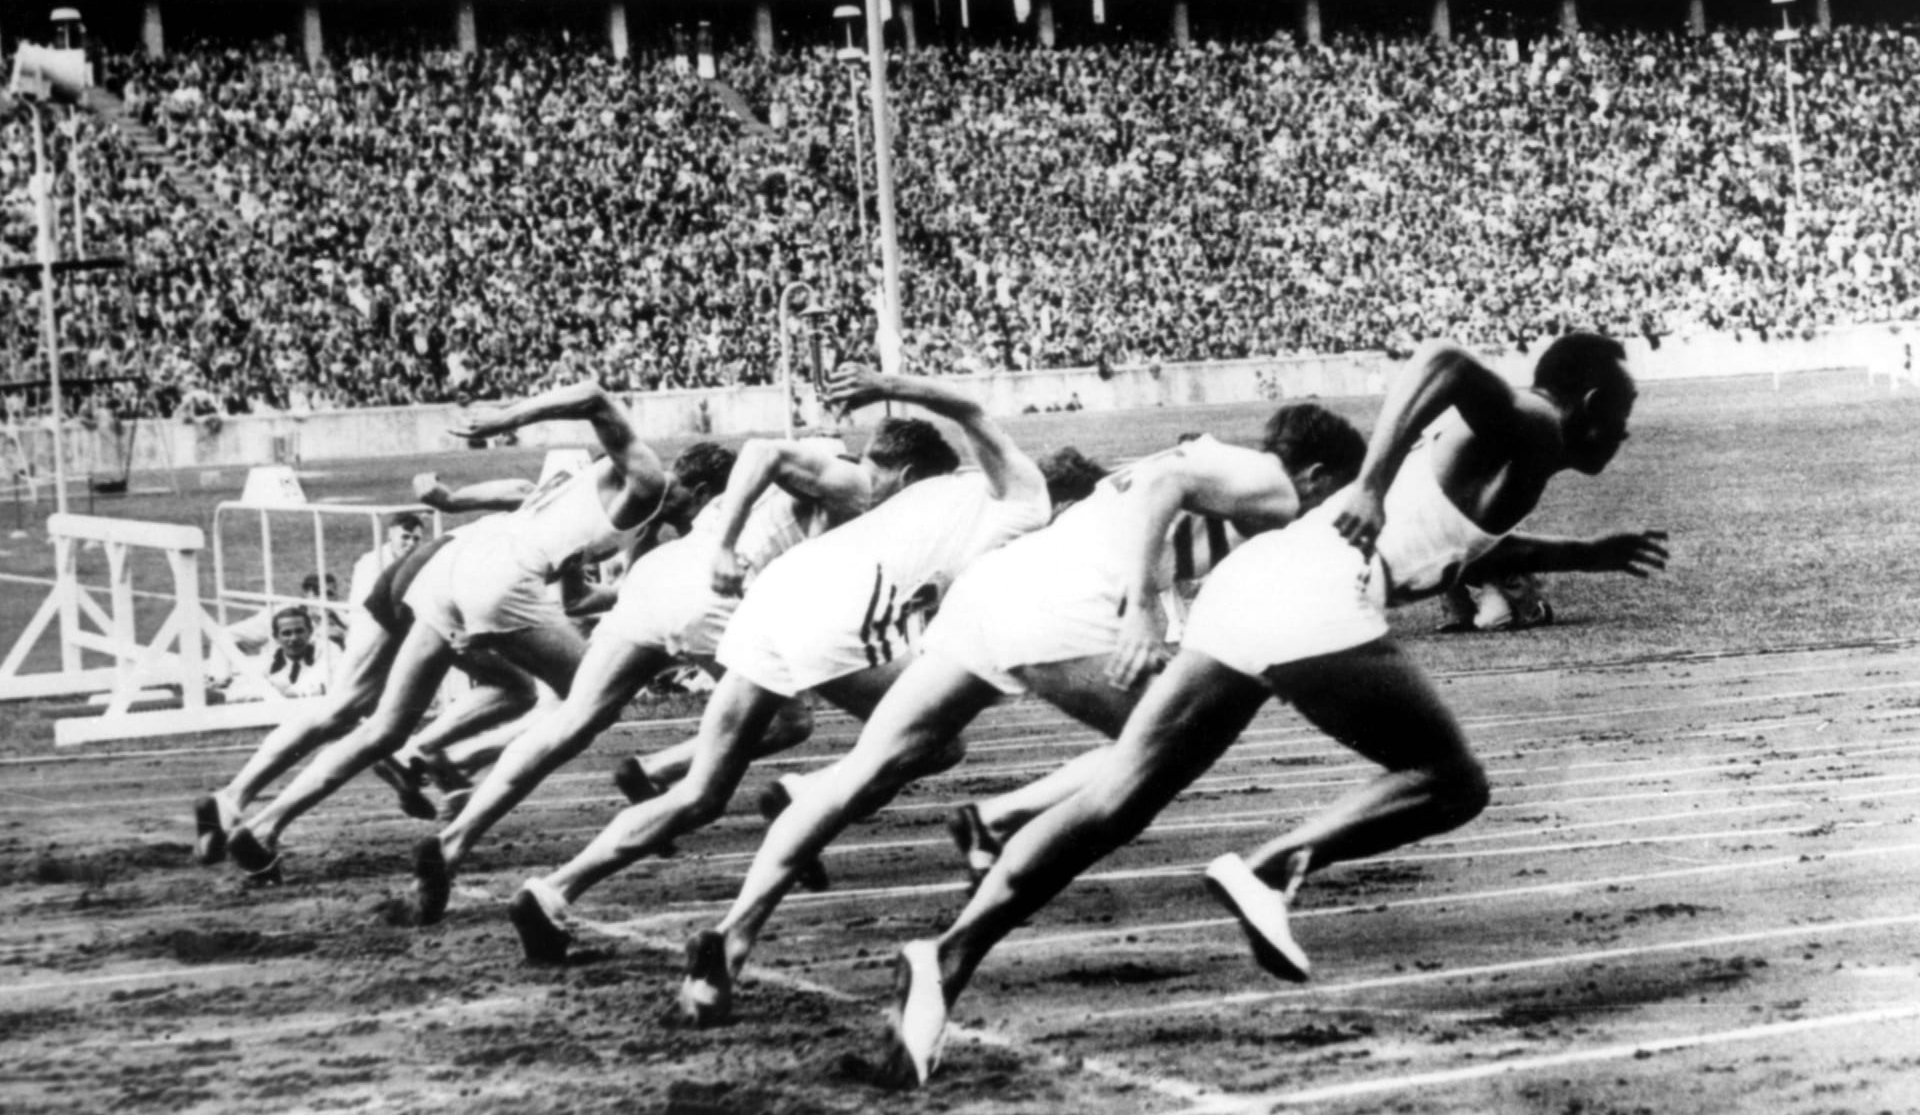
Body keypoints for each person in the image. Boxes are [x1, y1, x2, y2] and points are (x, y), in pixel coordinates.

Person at [878, 333, 1670, 1087]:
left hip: (1252, 586)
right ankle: (1273, 866)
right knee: (1450, 782)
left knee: (1118, 796)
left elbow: (1448, 545)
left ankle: (947, 957)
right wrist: (1368, 480)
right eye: (1625, 418)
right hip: (1314, 594)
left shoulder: (1510, 458)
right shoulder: (1532, 419)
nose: (1625, 437)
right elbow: (1445, 360)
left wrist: (1585, 554)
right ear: (1593, 400)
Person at [677, 404, 1368, 1024]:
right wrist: (1140, 606)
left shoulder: (1219, 470)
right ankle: (998, 827)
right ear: (1315, 473)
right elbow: (1167, 490)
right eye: (1336, 493)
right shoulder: (1272, 481)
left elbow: (1163, 512)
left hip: (997, 591)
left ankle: (734, 934)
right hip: (1063, 608)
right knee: (1153, 752)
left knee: (863, 770)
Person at [504, 364, 1052, 972]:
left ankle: (553, 890)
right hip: (834, 608)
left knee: (700, 794)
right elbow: (969, 408)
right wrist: (885, 385)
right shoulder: (1024, 493)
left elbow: (949, 579)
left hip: (771, 597)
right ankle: (787, 827)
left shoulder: (935, 502)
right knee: (936, 743)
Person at [408, 422, 925, 924]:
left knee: (570, 722)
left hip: (658, 579)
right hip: (713, 597)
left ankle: (454, 840)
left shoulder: (747, 498)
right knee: (783, 728)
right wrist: (729, 550)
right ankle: (781, 802)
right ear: (905, 475)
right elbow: (767, 454)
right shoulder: (851, 481)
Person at [221, 381, 730, 889]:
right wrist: (506, 420)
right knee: (583, 707)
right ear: (702, 492)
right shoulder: (645, 480)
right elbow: (594, 396)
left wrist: (572, 574)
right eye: (706, 511)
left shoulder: (627, 514)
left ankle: (266, 827)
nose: (697, 525)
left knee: (386, 729)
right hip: (502, 579)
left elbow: (579, 600)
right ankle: (460, 814)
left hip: (458, 565)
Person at [191, 474, 535, 866]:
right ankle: (419, 753)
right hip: (450, 587)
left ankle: (232, 798)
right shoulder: (588, 512)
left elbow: (519, 491)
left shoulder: (552, 493)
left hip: (418, 567)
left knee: (343, 706)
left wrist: (452, 498)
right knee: (518, 690)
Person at [349, 513, 426, 606]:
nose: (411, 543)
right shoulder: (372, 563)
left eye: (416, 539)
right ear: (390, 535)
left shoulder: (419, 561)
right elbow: (365, 606)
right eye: (405, 537)